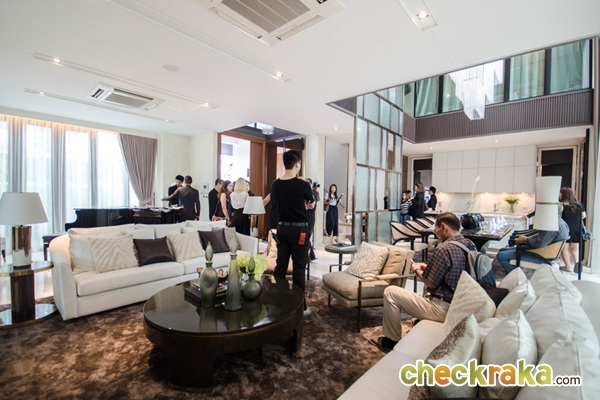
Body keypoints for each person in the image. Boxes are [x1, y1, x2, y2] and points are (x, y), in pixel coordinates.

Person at [370, 213, 475, 353]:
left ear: (443, 227)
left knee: (391, 292)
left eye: (436, 229)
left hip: (443, 308)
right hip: (461, 305)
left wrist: (416, 269)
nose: (435, 233)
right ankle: (419, 320)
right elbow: (452, 272)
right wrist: (428, 268)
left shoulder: (444, 249)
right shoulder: (468, 245)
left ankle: (391, 341)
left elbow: (431, 283)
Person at [270, 150, 316, 317]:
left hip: (282, 229)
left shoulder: (275, 184)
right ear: (296, 164)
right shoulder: (302, 185)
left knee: (280, 266)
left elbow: (277, 204)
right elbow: (310, 203)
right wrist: (306, 206)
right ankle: (300, 308)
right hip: (299, 231)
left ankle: (278, 303)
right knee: (299, 268)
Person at [496, 215, 570, 275]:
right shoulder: (559, 222)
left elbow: (540, 243)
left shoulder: (551, 225)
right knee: (502, 250)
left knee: (501, 256)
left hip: (540, 255)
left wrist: (526, 239)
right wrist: (526, 238)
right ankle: (515, 271)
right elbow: (540, 237)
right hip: (543, 252)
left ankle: (515, 277)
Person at [559, 187, 586, 272]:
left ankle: (567, 267)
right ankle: (577, 264)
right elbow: (584, 216)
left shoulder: (562, 204)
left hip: (567, 228)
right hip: (577, 228)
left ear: (563, 194)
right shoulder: (579, 204)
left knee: (564, 248)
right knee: (575, 249)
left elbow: (559, 215)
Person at [305, 178, 320, 261]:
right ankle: (311, 256)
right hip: (305, 217)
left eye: (308, 183)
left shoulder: (313, 193)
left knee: (307, 238)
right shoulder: (303, 192)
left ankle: (311, 256)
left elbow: (317, 199)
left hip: (310, 217)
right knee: (306, 238)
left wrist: (316, 191)